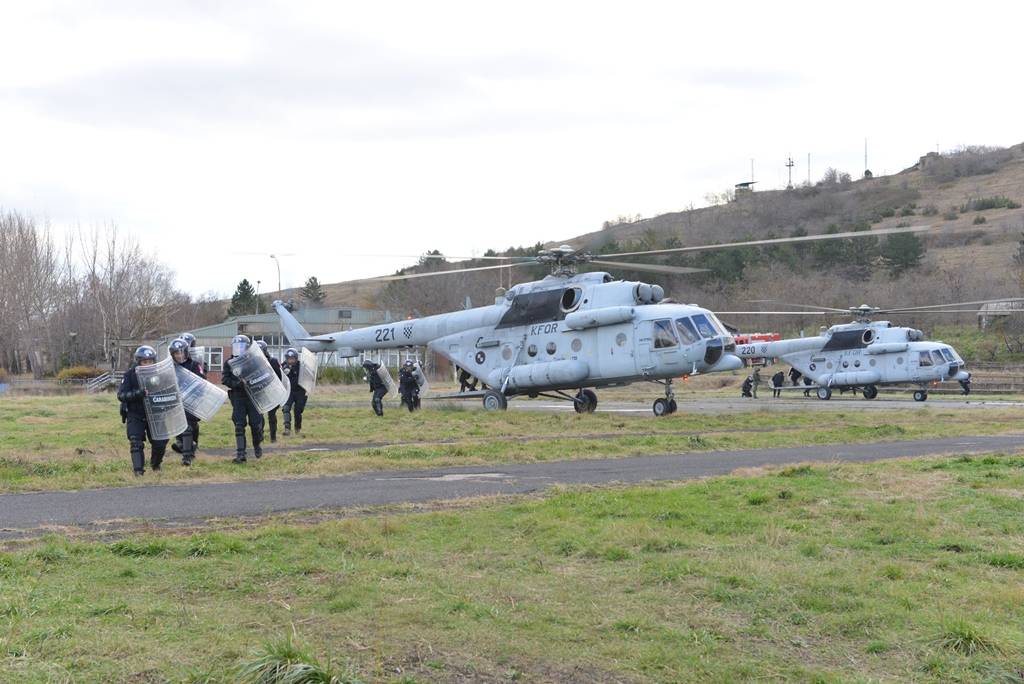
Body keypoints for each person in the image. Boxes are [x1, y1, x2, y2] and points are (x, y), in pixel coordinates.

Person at [117, 345, 168, 476]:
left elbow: (169, 392)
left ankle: (155, 464)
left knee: (160, 443)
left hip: (155, 413)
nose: (147, 364)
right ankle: (138, 471)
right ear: (138, 362)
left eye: (150, 361)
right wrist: (138, 394)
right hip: (135, 413)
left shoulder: (160, 375)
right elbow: (121, 395)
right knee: (135, 442)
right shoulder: (129, 375)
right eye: (144, 362)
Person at [221, 334, 264, 463]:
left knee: (255, 425)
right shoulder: (229, 363)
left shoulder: (254, 360)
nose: (238, 349)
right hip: (238, 397)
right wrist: (236, 384)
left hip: (253, 397)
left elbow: (263, 375)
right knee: (239, 425)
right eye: (236, 347)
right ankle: (241, 455)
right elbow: (225, 379)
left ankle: (257, 445)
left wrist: (253, 382)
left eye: (241, 347)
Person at [169, 337, 204, 466]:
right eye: (176, 353)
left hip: (191, 401)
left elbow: (201, 381)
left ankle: (188, 453)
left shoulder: (194, 365)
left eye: (181, 352)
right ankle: (187, 453)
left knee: (191, 427)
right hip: (176, 402)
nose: (179, 355)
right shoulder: (169, 367)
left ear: (186, 352)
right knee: (183, 428)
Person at [255, 340, 283, 442]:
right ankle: (260, 435)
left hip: (272, 392)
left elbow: (279, 378)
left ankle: (273, 437)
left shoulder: (273, 361)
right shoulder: (252, 362)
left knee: (271, 415)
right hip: (259, 392)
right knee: (258, 415)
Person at [282, 348, 307, 435]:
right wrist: (283, 372)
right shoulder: (283, 366)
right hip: (289, 391)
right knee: (286, 408)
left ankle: (297, 428)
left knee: (298, 411)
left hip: (300, 391)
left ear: (296, 358)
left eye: (292, 358)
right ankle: (287, 429)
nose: (290, 360)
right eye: (289, 358)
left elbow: (308, 378)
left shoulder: (302, 366)